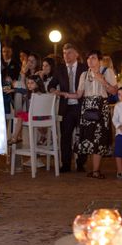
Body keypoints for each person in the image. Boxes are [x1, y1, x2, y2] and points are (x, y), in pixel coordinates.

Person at [59, 50, 117, 179]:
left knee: (99, 139)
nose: (90, 60)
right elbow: (79, 94)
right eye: (88, 58)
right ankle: (94, 169)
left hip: (101, 108)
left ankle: (96, 171)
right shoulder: (84, 74)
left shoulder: (107, 72)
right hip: (87, 109)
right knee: (89, 139)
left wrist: (102, 81)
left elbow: (114, 91)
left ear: (99, 60)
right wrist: (65, 94)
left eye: (93, 58)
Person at [47, 43, 87, 173]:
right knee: (65, 136)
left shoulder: (84, 68)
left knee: (82, 135)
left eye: (69, 52)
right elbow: (51, 84)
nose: (66, 56)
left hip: (81, 106)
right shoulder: (60, 69)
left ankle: (81, 163)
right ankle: (66, 164)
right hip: (66, 108)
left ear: (76, 54)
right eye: (64, 53)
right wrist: (54, 90)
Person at [8, 74, 47, 144]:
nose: (29, 85)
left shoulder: (37, 94)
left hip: (36, 116)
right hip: (40, 117)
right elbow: (21, 90)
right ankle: (43, 135)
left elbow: (22, 91)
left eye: (32, 83)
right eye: (28, 83)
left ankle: (15, 137)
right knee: (21, 115)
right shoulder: (31, 93)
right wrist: (13, 90)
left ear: (38, 84)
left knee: (20, 116)